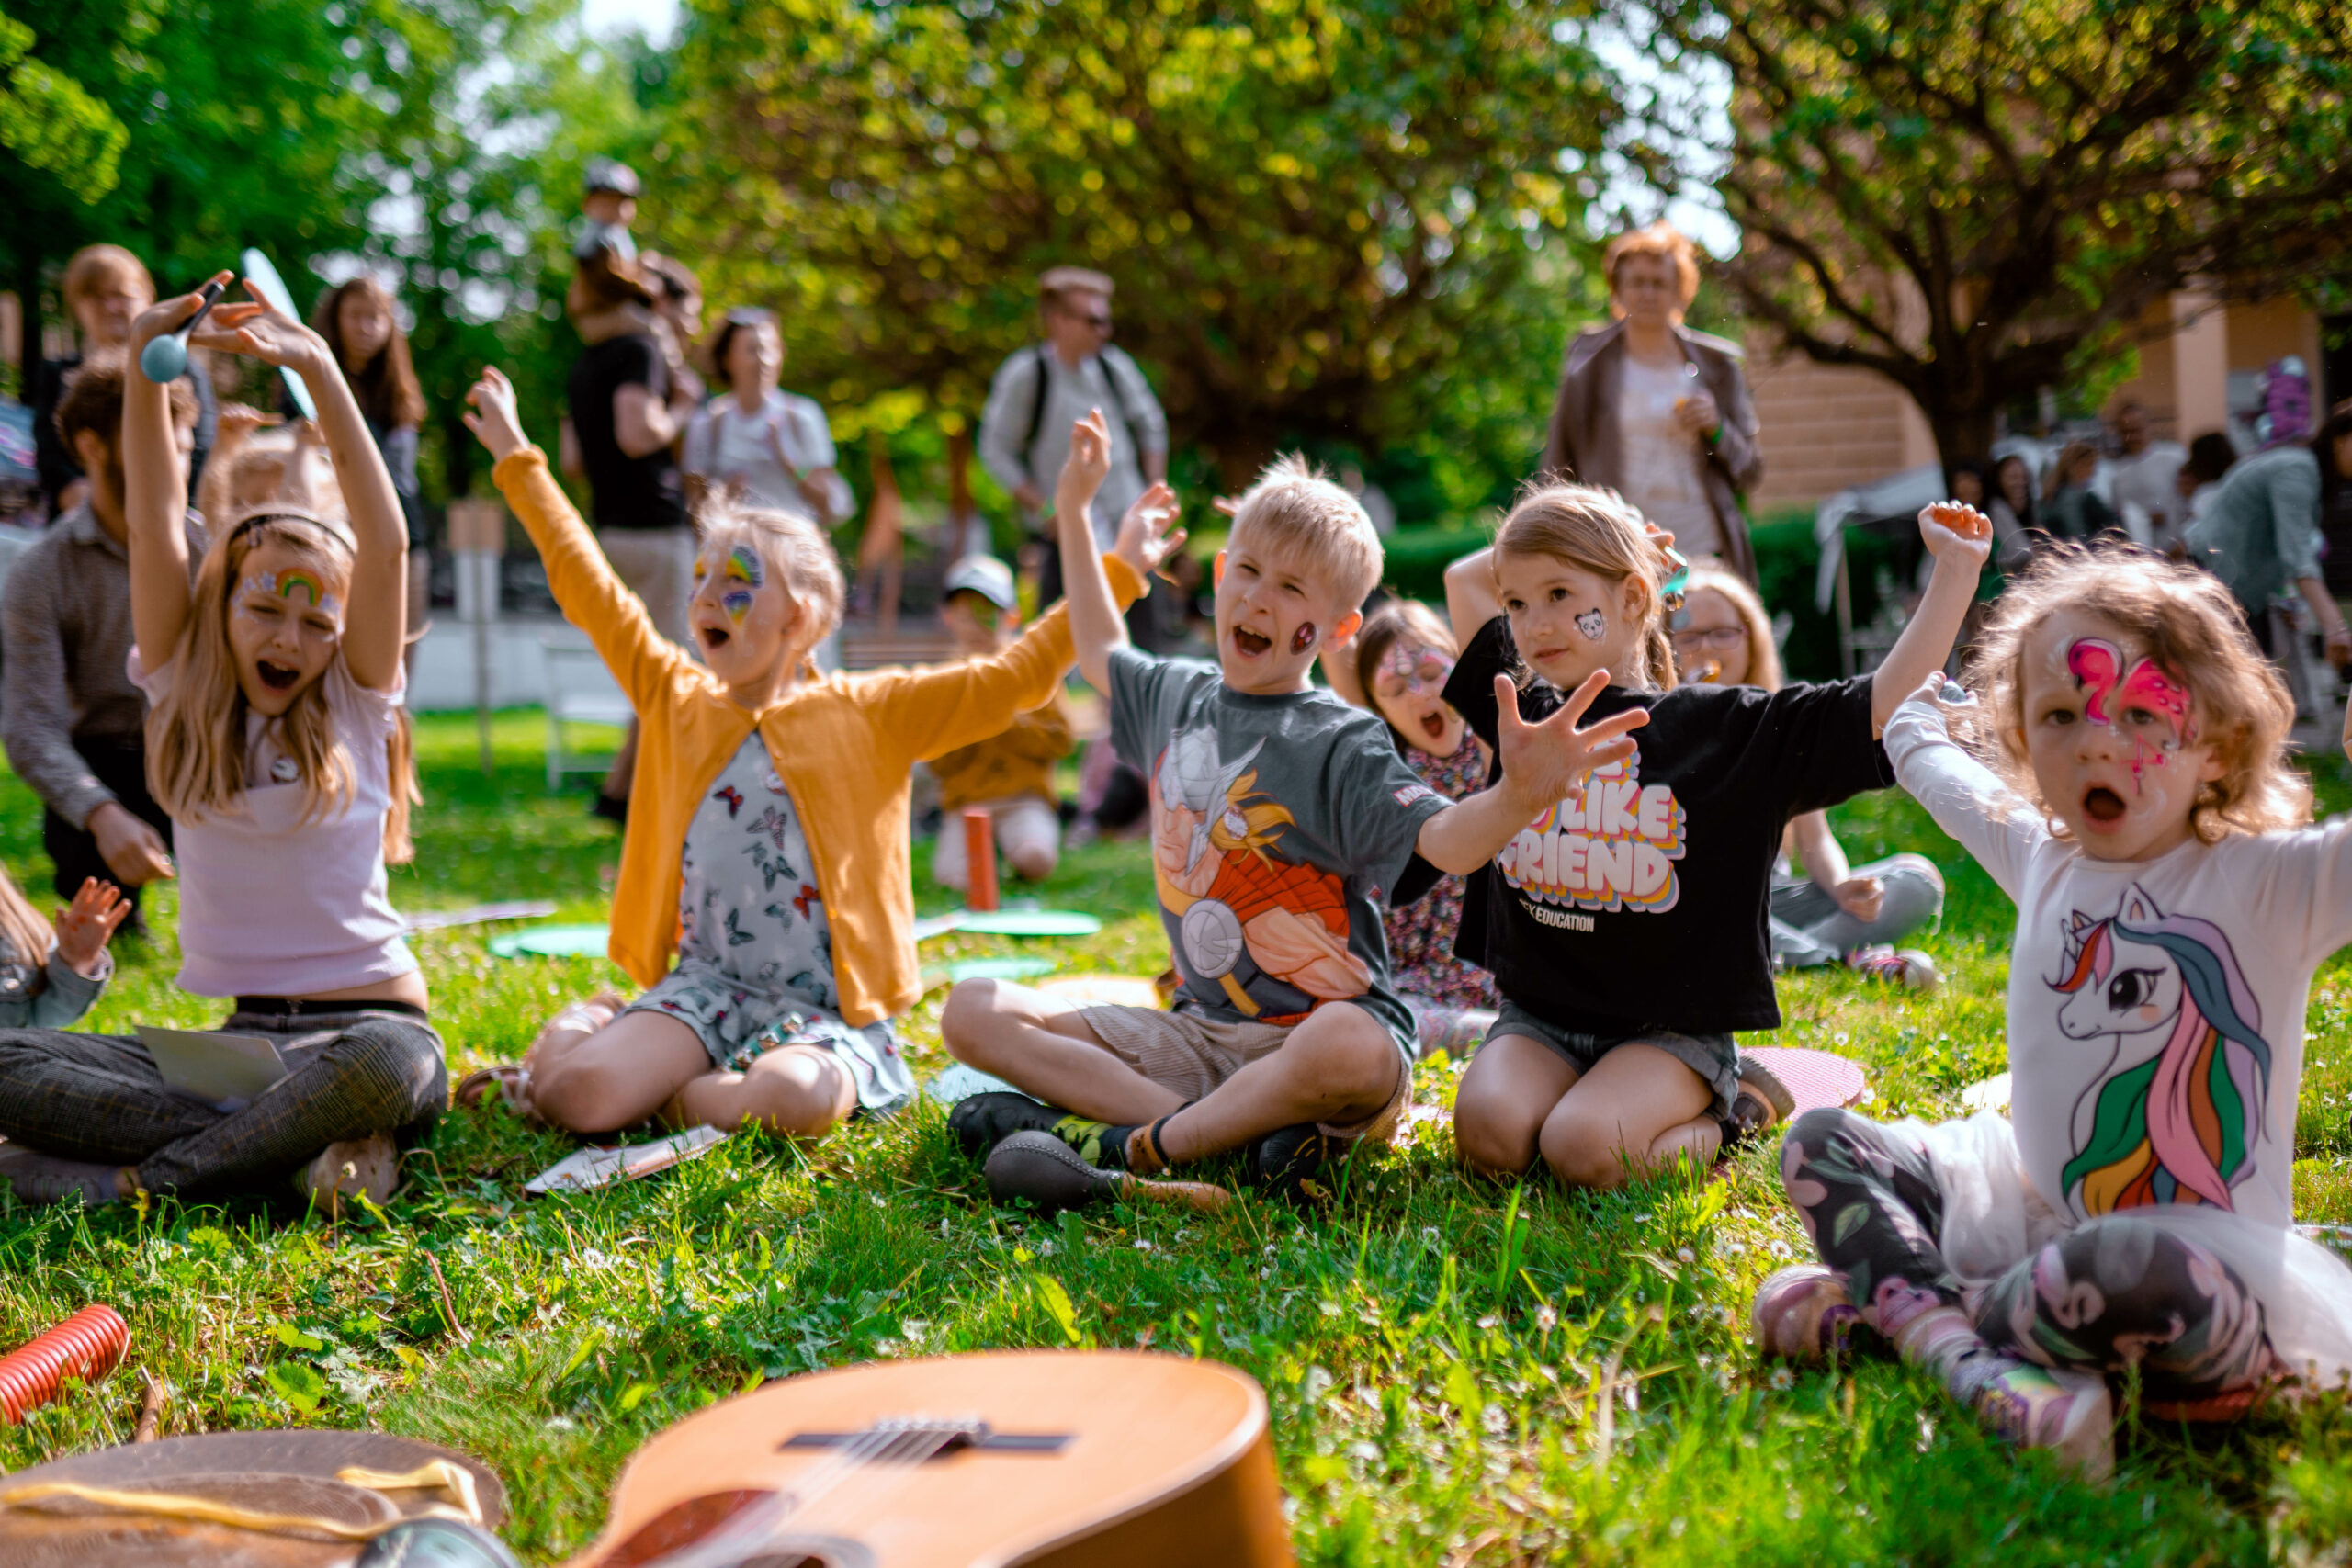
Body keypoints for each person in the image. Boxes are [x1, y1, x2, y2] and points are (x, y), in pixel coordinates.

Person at [941, 413, 1644, 1213]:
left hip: (1318, 1046)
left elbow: (1443, 841)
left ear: (1339, 627)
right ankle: (1227, 1139)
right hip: (1197, 1036)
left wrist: (1517, 795)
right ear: (1217, 575)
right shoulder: (1175, 695)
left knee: (1349, 1042)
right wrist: (1074, 508)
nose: (1259, 599)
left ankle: (1138, 1148)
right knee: (974, 1008)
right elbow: (1098, 644)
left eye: (1292, 588)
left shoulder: (1341, 739)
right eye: (1247, 571)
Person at [452, 369, 1172, 1145]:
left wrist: (1120, 571)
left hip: (824, 1011)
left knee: (796, 1101)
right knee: (580, 1096)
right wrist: (520, 458)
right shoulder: (674, 695)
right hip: (704, 990)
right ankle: (595, 1023)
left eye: (734, 585)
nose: (702, 601)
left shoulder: (872, 711)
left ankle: (665, 1089)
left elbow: (1014, 678)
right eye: (700, 580)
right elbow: (591, 587)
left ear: (797, 613)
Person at [1755, 546, 2352, 1476]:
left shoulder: (2269, 884)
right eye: (2061, 715)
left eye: (2142, 713)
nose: (2096, 744)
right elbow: (1925, 760)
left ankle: (1903, 1308)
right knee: (1822, 1140)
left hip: (2192, 1283)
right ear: (2025, 739)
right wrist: (1912, 701)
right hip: (2034, 1216)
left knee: (2129, 1266)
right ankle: (1968, 1365)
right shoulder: (2042, 859)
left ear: (2221, 744)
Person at [0, 272, 443, 1213]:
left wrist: (318, 365)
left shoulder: (358, 702)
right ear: (223, 605)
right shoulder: (183, 695)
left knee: (389, 1064)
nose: (290, 639)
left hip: (369, 1033)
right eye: (265, 609)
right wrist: (144, 372)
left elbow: (388, 543)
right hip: (239, 1055)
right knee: (8, 1061)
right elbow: (160, 522)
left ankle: (148, 1185)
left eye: (316, 621)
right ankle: (294, 1157)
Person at [1436, 491, 1989, 1190]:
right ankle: (1592, 1099)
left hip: (1668, 1032)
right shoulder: (1519, 712)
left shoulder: (1725, 728)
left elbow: (1880, 704)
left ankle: (1741, 1112)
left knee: (1583, 1153)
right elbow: (1463, 581)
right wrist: (1623, 542)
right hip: (1539, 1019)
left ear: (1635, 598)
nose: (1533, 622)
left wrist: (1956, 571)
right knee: (1490, 1139)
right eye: (1516, 603)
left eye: (1558, 592)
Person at [1670, 563, 1943, 987]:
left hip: (1771, 904)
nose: (1707, 648)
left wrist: (1840, 886)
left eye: (1723, 633)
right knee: (1698, 904)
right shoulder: (1656, 724)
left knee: (1916, 880)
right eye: (1688, 636)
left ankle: (1784, 958)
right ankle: (1837, 961)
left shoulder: (1776, 722)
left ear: (1751, 639)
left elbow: (1814, 841)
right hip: (1699, 902)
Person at [4, 359, 202, 925]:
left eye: (184, 449)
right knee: (82, 845)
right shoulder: (40, 572)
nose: (175, 467)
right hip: (110, 756)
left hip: (204, 746)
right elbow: (30, 726)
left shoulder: (211, 548)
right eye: (156, 446)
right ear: (92, 447)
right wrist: (100, 812)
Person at [562, 222, 698, 822]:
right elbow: (637, 431)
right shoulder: (638, 352)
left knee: (652, 673)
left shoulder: (584, 362)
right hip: (655, 528)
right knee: (670, 671)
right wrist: (682, 411)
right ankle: (631, 797)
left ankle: (621, 792)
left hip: (610, 530)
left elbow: (572, 460)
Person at [1539, 222, 1764, 582]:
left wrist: (1717, 429)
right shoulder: (1587, 365)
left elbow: (1751, 471)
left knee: (1703, 637)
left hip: (1702, 544)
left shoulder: (1717, 366)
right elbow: (1557, 467)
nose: (1648, 293)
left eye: (1659, 283)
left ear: (1681, 291)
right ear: (1618, 289)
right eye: (1637, 282)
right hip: (1619, 547)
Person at [978, 267, 1170, 634]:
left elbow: (1152, 427)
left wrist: (1153, 494)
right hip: (1065, 534)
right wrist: (1045, 506)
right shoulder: (1029, 375)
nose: (1104, 331)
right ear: (1058, 321)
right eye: (1093, 321)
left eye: (1107, 321)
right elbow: (995, 450)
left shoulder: (1115, 368)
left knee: (1145, 641)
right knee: (1053, 647)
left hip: (1127, 528)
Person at [1348, 600, 1498, 1059]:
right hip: (1411, 989)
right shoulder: (1382, 779)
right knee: (1369, 1024)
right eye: (1395, 688)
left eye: (1433, 674)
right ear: (1379, 709)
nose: (1419, 694)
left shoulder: (1499, 749)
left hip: (1505, 982)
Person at [33, 244, 216, 518]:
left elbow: (201, 448)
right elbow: (50, 453)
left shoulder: (180, 368)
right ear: (77, 306)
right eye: (95, 297)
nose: (110, 307)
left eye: (121, 294)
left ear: (147, 298)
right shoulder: (55, 374)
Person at [930, 555, 1072, 892]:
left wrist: (1006, 716)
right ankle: (984, 855)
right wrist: (968, 722)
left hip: (1024, 799)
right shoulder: (943, 681)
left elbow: (1060, 742)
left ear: (1011, 617)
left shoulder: (1031, 671)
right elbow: (936, 761)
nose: (976, 626)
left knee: (1036, 858)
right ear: (948, 618)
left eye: (987, 615)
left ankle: (1015, 852)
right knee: (958, 880)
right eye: (966, 616)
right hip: (967, 807)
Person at [312, 276, 429, 655]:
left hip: (403, 542)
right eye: (356, 315)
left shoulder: (399, 396)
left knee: (400, 653)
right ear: (336, 319)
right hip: (336, 541)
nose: (366, 327)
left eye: (376, 317)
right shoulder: (310, 386)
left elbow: (399, 481)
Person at [2183, 407, 2352, 666]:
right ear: (2340, 438)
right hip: (2212, 585)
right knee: (2232, 690)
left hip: (2237, 594)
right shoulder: (2298, 471)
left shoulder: (2306, 471)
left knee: (2250, 690)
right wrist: (2335, 628)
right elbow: (2297, 557)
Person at [681, 308, 854, 523]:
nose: (764, 360)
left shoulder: (803, 416)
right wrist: (723, 497)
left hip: (792, 549)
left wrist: (791, 465)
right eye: (753, 350)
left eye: (770, 349)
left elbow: (826, 507)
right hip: (733, 552)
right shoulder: (706, 423)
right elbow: (694, 507)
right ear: (727, 359)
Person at [2105, 401, 2188, 552]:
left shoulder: (2174, 456)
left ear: (2149, 426)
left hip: (2179, 547)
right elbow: (2117, 514)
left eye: (2137, 430)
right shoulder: (2117, 472)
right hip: (2142, 556)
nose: (2132, 436)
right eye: (2126, 431)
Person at [2041, 440, 2119, 541]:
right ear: (2078, 465)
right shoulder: (2080, 498)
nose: (2093, 471)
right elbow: (2077, 534)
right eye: (2090, 464)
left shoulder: (2051, 496)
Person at [1987, 452, 2039, 570]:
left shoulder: (2031, 508)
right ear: (1999, 480)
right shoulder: (1997, 508)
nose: (2020, 483)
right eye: (2013, 477)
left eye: (2024, 477)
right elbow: (2021, 554)